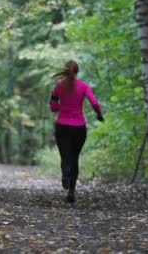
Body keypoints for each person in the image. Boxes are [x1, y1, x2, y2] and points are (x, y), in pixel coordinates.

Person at [49, 60, 103, 203]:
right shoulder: (84, 86)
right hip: (79, 128)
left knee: (65, 156)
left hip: (62, 126)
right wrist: (99, 115)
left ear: (65, 71)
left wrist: (63, 106)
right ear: (77, 71)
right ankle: (71, 192)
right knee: (74, 158)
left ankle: (65, 172)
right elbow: (95, 103)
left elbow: (53, 107)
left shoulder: (58, 86)